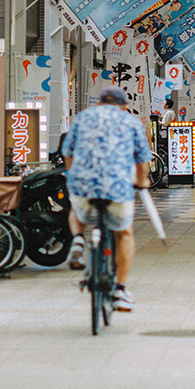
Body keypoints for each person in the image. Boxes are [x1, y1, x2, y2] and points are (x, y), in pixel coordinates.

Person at [62, 85, 152, 312]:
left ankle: (78, 240)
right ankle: (120, 290)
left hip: (83, 183)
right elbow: (143, 160)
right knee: (124, 233)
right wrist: (142, 182)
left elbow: (68, 151)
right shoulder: (131, 122)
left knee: (76, 206)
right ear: (125, 106)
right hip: (117, 186)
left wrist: (73, 177)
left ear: (99, 103)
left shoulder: (83, 117)